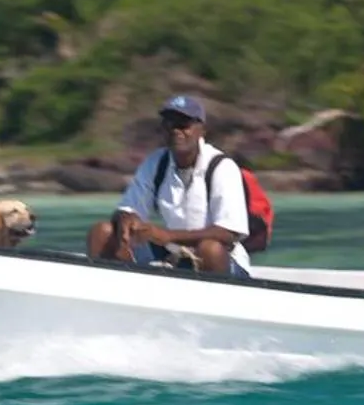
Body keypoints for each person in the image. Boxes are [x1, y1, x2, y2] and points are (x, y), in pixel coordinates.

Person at [86, 94, 252, 278]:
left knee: (209, 249)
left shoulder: (222, 167)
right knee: (103, 232)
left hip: (224, 262)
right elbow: (127, 208)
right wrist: (126, 220)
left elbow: (228, 233)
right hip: (173, 254)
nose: (175, 130)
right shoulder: (156, 162)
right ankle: (112, 298)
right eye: (168, 124)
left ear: (201, 130)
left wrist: (168, 235)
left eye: (183, 124)